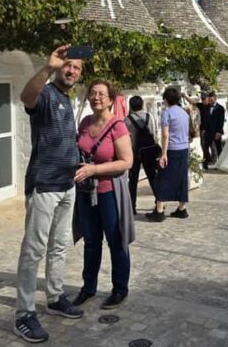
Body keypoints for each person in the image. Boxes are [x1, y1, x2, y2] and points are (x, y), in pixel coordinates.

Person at [14, 45, 84, 344]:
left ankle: (55, 297)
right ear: (59, 67)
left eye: (76, 68)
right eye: (67, 66)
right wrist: (46, 67)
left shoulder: (67, 101)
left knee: (59, 247)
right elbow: (25, 97)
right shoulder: (45, 95)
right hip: (44, 185)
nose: (71, 71)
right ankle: (24, 314)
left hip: (68, 185)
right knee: (33, 250)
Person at [72, 80, 134, 311]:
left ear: (110, 99)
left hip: (109, 193)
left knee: (116, 242)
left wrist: (95, 170)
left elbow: (127, 161)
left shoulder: (118, 125)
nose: (96, 97)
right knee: (91, 242)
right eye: (93, 93)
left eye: (101, 94)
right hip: (86, 192)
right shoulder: (85, 123)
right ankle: (88, 287)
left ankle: (120, 289)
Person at [147, 88, 190, 222]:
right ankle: (181, 208)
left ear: (166, 99)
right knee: (182, 177)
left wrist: (164, 153)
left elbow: (165, 134)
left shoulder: (167, 113)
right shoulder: (184, 113)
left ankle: (159, 210)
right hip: (184, 148)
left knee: (163, 177)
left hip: (172, 148)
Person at [124, 96, 159, 213]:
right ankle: (159, 203)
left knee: (133, 181)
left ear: (131, 106)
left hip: (135, 152)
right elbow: (155, 133)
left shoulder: (127, 120)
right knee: (153, 178)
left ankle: (132, 206)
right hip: (150, 151)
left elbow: (126, 138)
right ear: (142, 104)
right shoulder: (150, 117)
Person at [190, 92, 225, 170]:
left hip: (216, 132)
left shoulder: (220, 108)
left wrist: (219, 132)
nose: (211, 101)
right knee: (205, 148)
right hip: (207, 132)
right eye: (210, 99)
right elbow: (205, 119)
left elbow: (221, 121)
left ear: (215, 98)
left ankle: (221, 164)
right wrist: (203, 129)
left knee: (218, 148)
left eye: (212, 99)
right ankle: (205, 164)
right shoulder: (207, 107)